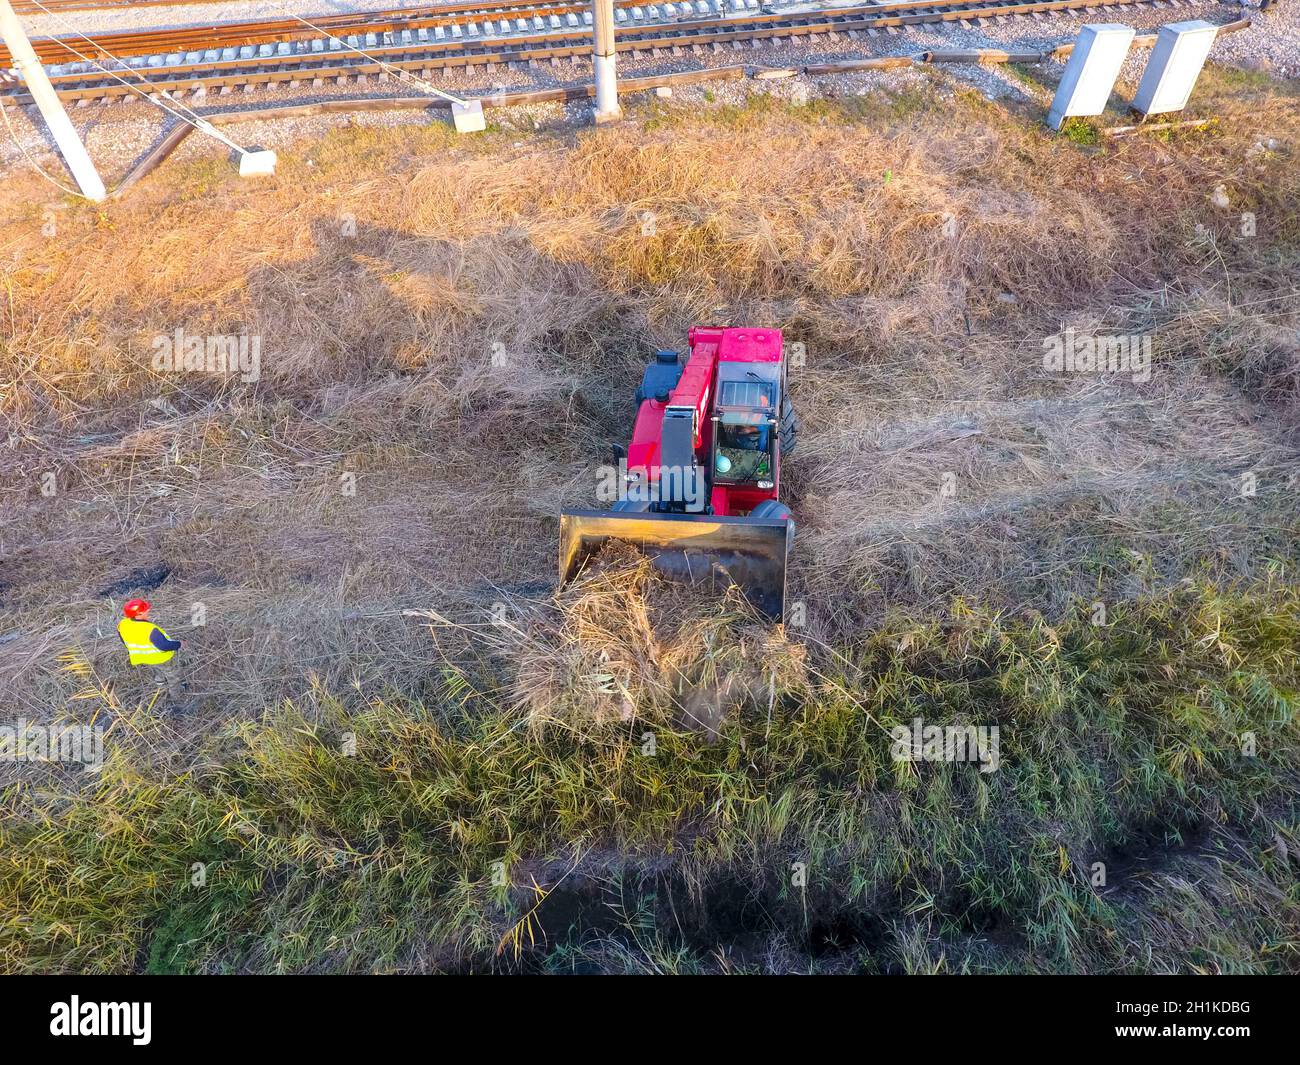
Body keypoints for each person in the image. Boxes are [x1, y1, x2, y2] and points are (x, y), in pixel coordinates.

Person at [117, 599, 185, 708]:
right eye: (146, 610)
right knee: (173, 677)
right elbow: (164, 646)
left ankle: (162, 689)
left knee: (158, 673)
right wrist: (179, 644)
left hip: (145, 658)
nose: (148, 610)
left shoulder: (123, 624)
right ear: (138, 614)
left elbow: (124, 641)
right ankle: (176, 698)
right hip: (163, 659)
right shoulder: (150, 629)